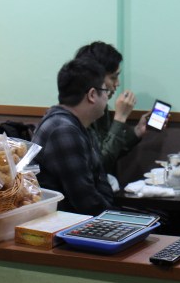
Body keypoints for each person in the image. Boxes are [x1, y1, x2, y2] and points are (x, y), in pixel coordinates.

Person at [31, 57, 114, 215]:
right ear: (92, 95)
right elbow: (87, 203)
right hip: (65, 229)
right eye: (106, 91)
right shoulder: (63, 130)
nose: (107, 98)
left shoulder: (76, 124)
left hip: (77, 221)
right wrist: (123, 219)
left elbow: (99, 181)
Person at [74, 42, 148, 175]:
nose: (117, 84)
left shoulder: (100, 108)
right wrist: (120, 118)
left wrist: (137, 132)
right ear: (94, 79)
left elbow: (111, 151)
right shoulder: (76, 115)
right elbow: (100, 165)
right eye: (113, 77)